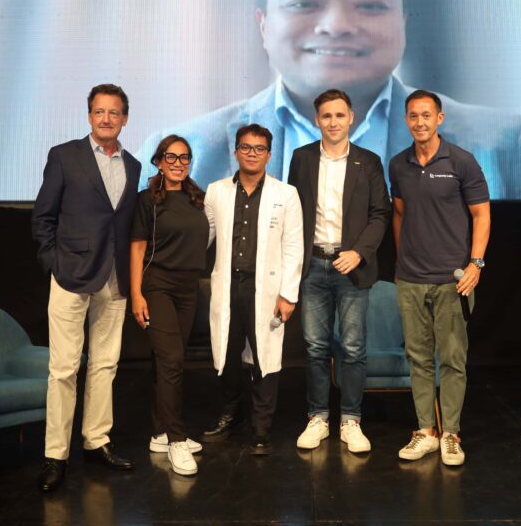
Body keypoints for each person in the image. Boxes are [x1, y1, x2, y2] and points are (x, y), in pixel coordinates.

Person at [136, 0, 521, 200]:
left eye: (368, 5)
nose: (336, 25)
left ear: (403, 21)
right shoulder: (182, 151)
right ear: (263, 24)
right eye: (304, 3)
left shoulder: (510, 146)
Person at [31, 83, 142, 491]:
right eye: (99, 111)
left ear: (124, 118)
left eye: (114, 112)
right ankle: (56, 456)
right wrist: (54, 264)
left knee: (105, 365)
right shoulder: (64, 156)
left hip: (113, 279)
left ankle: (96, 441)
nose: (106, 119)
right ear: (89, 115)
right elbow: (43, 217)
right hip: (71, 277)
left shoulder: (133, 165)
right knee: (63, 369)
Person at [389, 89, 491, 467]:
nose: (420, 122)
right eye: (413, 116)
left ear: (440, 118)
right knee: (417, 359)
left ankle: (451, 434)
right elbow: (400, 214)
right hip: (411, 278)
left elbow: (481, 215)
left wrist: (475, 264)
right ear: (406, 120)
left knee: (451, 359)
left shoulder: (462, 161)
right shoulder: (398, 165)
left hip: (453, 279)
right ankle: (426, 432)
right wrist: (403, 261)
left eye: (426, 115)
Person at [287, 89, 391, 453]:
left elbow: (380, 214)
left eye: (340, 115)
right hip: (312, 265)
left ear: (352, 118)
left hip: (352, 268)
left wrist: (359, 253)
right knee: (315, 347)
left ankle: (350, 419)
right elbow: (293, 212)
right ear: (317, 120)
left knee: (353, 347)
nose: (333, 122)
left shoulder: (369, 161)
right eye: (327, 116)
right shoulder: (301, 158)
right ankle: (318, 417)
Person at [199, 124, 304, 454]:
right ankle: (230, 415)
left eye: (259, 149)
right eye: (246, 147)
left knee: (265, 358)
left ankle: (260, 427)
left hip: (267, 290)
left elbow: (294, 247)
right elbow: (203, 237)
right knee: (227, 355)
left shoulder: (286, 194)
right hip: (228, 286)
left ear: (269, 155)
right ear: (236, 151)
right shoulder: (216, 191)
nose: (252, 154)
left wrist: (288, 295)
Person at [129, 135, 209, 476]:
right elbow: (136, 248)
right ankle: (177, 439)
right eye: (171, 157)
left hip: (188, 288)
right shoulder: (147, 200)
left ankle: (160, 433)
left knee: (167, 361)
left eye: (184, 157)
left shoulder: (196, 198)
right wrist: (136, 295)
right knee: (172, 360)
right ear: (159, 161)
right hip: (158, 285)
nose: (178, 163)